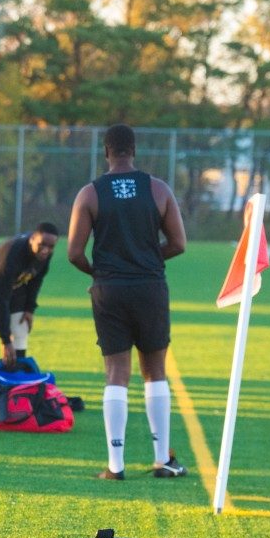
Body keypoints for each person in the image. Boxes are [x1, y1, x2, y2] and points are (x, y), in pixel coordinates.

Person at [67, 124, 188, 480]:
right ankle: (162, 459)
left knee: (116, 372)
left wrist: (101, 273)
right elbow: (178, 243)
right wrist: (146, 260)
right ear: (134, 151)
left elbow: (74, 253)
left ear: (106, 152)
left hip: (109, 290)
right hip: (150, 287)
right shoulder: (158, 189)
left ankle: (115, 465)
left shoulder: (90, 193)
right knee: (155, 371)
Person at [0, 223, 59, 404]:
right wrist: (5, 340)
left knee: (21, 326)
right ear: (32, 239)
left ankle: (17, 390)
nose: (46, 250)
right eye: (42, 245)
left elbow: (35, 280)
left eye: (51, 246)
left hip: (13, 282)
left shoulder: (45, 254)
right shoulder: (13, 254)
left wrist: (29, 309)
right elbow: (0, 298)